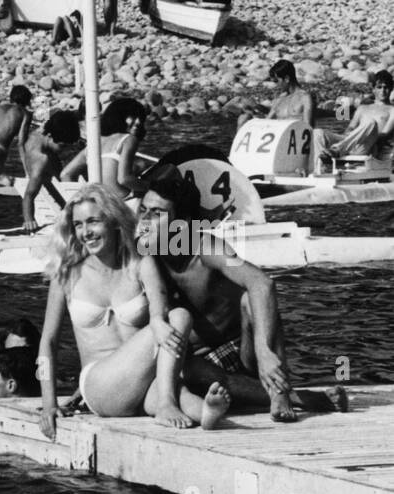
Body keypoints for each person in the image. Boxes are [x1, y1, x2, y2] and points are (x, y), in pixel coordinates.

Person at [138, 168, 347, 421]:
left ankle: (279, 389)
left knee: (250, 300)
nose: (145, 219)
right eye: (143, 210)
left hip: (242, 352)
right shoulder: (145, 256)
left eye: (157, 213)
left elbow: (262, 283)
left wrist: (263, 352)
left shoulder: (207, 248)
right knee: (186, 368)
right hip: (195, 365)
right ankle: (296, 397)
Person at [37, 183, 230, 440]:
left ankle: (204, 413)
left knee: (176, 388)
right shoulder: (67, 274)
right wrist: (49, 403)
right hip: (100, 386)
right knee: (180, 317)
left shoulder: (139, 263)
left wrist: (158, 319)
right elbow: (48, 342)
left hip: (141, 382)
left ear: (115, 222)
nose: (86, 232)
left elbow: (158, 302)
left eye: (93, 221)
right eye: (78, 224)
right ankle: (165, 404)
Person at [60, 96, 148, 197]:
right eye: (133, 117)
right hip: (122, 205)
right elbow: (124, 179)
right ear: (119, 116)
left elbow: (65, 174)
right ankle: (165, 214)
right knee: (164, 201)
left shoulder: (95, 142)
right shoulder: (128, 139)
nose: (138, 122)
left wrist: (80, 200)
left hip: (100, 204)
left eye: (140, 118)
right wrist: (151, 186)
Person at [313, 71, 394, 174]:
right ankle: (320, 168)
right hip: (350, 142)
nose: (383, 90)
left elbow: (384, 134)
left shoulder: (392, 110)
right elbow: (350, 127)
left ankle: (337, 150)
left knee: (371, 123)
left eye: (386, 87)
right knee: (318, 132)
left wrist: (363, 135)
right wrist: (350, 134)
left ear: (391, 89)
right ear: (373, 89)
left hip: (368, 145)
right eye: (379, 87)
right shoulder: (362, 108)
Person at [19, 109, 82, 233]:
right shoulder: (41, 159)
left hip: (44, 165)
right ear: (49, 136)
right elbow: (28, 196)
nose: (64, 150)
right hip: (41, 178)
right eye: (63, 146)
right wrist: (29, 221)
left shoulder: (42, 131)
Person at [238, 59, 316, 129]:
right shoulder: (279, 99)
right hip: (278, 138)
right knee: (243, 118)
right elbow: (266, 122)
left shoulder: (305, 98)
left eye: (276, 81)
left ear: (286, 79)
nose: (276, 85)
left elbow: (308, 128)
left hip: (295, 139)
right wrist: (254, 110)